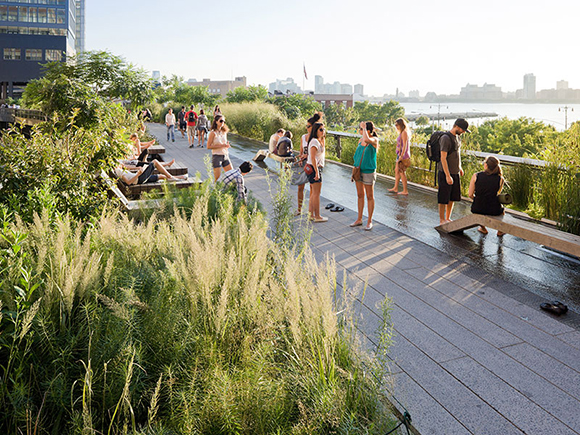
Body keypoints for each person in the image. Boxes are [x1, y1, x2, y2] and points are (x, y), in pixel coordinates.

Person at [438, 118, 470, 225]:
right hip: (445, 172)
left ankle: (448, 217)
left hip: (455, 171)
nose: (463, 132)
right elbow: (443, 158)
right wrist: (447, 175)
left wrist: (459, 167)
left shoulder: (457, 137)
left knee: (452, 197)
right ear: (456, 126)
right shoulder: (445, 138)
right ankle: (442, 219)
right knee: (443, 197)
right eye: (463, 129)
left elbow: (458, 153)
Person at [350, 121, 379, 231]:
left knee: (369, 196)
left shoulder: (374, 140)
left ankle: (369, 221)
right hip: (358, 171)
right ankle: (359, 219)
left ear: (367, 131)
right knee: (360, 195)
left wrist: (365, 129)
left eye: (361, 129)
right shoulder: (360, 141)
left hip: (368, 171)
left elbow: (367, 139)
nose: (360, 131)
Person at [469, 156, 506, 236]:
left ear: (486, 165)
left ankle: (483, 228)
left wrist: (477, 200)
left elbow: (470, 194)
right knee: (502, 210)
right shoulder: (500, 178)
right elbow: (497, 194)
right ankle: (500, 230)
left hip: (477, 208)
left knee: (480, 208)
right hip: (493, 209)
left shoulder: (476, 175)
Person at [295, 113, 322, 215]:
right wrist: (301, 157)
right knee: (300, 187)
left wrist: (309, 156)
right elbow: (301, 151)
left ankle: (311, 212)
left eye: (308, 126)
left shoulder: (317, 139)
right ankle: (299, 209)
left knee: (312, 189)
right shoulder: (303, 137)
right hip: (304, 165)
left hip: (312, 164)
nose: (306, 128)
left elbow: (318, 153)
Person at [306, 122, 327, 223]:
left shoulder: (318, 141)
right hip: (314, 168)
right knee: (316, 194)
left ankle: (311, 215)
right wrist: (317, 172)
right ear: (316, 131)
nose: (323, 131)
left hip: (315, 168)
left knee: (314, 193)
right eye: (321, 130)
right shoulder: (314, 142)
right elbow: (313, 158)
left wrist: (323, 137)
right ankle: (317, 216)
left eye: (324, 129)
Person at [115, 159, 187, 185]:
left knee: (160, 176)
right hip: (139, 178)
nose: (121, 165)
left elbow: (127, 168)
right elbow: (128, 182)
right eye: (119, 165)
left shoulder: (122, 171)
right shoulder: (122, 174)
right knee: (155, 162)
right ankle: (170, 176)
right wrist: (138, 174)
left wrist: (138, 170)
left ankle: (181, 177)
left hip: (139, 178)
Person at [388, 118, 411, 195]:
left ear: (401, 125)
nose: (396, 126)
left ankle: (405, 190)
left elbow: (405, 145)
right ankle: (395, 188)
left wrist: (402, 155)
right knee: (397, 171)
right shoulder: (402, 132)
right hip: (399, 154)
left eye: (397, 125)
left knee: (401, 172)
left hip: (403, 156)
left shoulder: (404, 132)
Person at [207, 114, 233, 181]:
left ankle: (230, 190)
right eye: (221, 121)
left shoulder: (224, 132)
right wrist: (222, 146)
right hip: (217, 157)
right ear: (216, 122)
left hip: (225, 155)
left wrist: (226, 145)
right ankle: (216, 190)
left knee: (232, 175)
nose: (222, 123)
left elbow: (224, 143)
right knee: (217, 178)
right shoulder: (212, 133)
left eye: (224, 121)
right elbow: (208, 146)